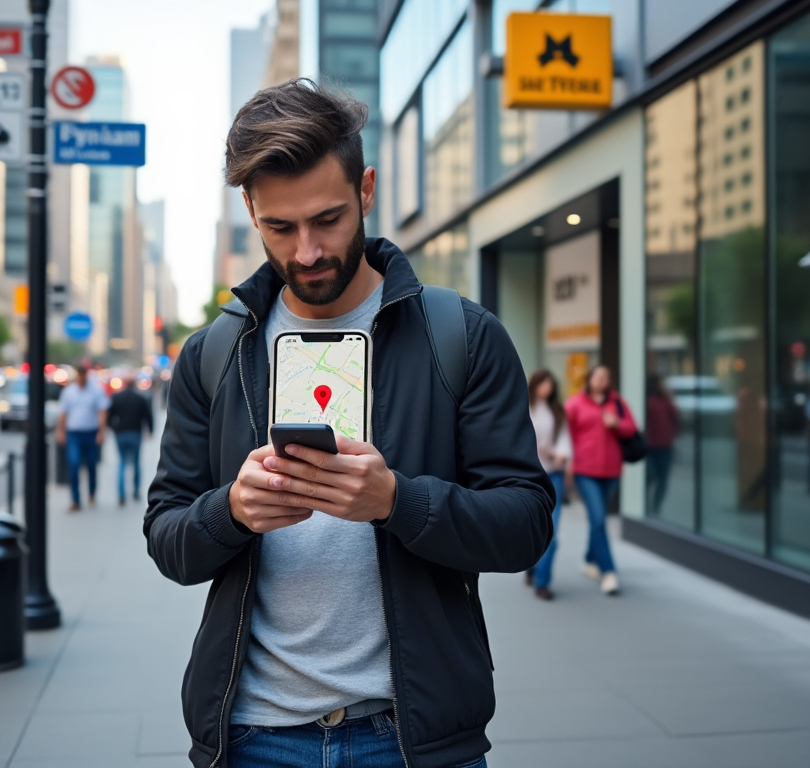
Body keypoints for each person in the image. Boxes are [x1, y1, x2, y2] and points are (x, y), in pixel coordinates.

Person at [144, 79, 553, 768]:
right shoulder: (214, 353)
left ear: (365, 190)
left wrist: (398, 501)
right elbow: (167, 538)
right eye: (280, 227)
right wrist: (232, 512)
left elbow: (526, 525)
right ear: (250, 209)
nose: (307, 251)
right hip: (251, 737)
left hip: (415, 739)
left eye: (327, 219)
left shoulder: (462, 335)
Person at [565, 364, 638, 596]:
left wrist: (617, 423)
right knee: (598, 518)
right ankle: (609, 572)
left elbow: (632, 428)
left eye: (606, 377)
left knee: (598, 520)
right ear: (590, 378)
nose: (602, 380)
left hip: (611, 471)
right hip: (585, 470)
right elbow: (565, 434)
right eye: (598, 376)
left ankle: (589, 559)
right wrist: (567, 463)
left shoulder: (616, 403)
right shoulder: (575, 403)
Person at [526, 369, 572, 601]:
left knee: (551, 532)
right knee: (531, 526)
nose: (548, 389)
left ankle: (542, 582)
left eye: (551, 385)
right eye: (544, 384)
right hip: (530, 475)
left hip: (553, 474)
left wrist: (558, 453)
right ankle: (531, 565)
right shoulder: (524, 407)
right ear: (535, 385)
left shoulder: (557, 411)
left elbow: (565, 439)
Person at [55, 364, 108, 511]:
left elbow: (102, 411)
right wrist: (60, 430)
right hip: (74, 433)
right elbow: (63, 412)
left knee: (91, 465)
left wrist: (101, 432)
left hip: (91, 432)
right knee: (74, 464)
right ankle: (75, 500)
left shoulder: (96, 391)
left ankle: (91, 492)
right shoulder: (69, 392)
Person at [108, 379, 154, 505]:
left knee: (122, 462)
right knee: (136, 462)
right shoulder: (140, 398)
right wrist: (150, 430)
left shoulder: (117, 397)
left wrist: (113, 428)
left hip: (121, 433)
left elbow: (109, 416)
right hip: (135, 432)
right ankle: (136, 491)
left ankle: (121, 494)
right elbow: (148, 415)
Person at [644, 374, 680, 514]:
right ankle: (645, 503)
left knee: (663, 478)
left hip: (665, 445)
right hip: (649, 445)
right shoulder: (648, 400)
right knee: (651, 475)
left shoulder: (666, 400)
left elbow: (675, 418)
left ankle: (656, 505)